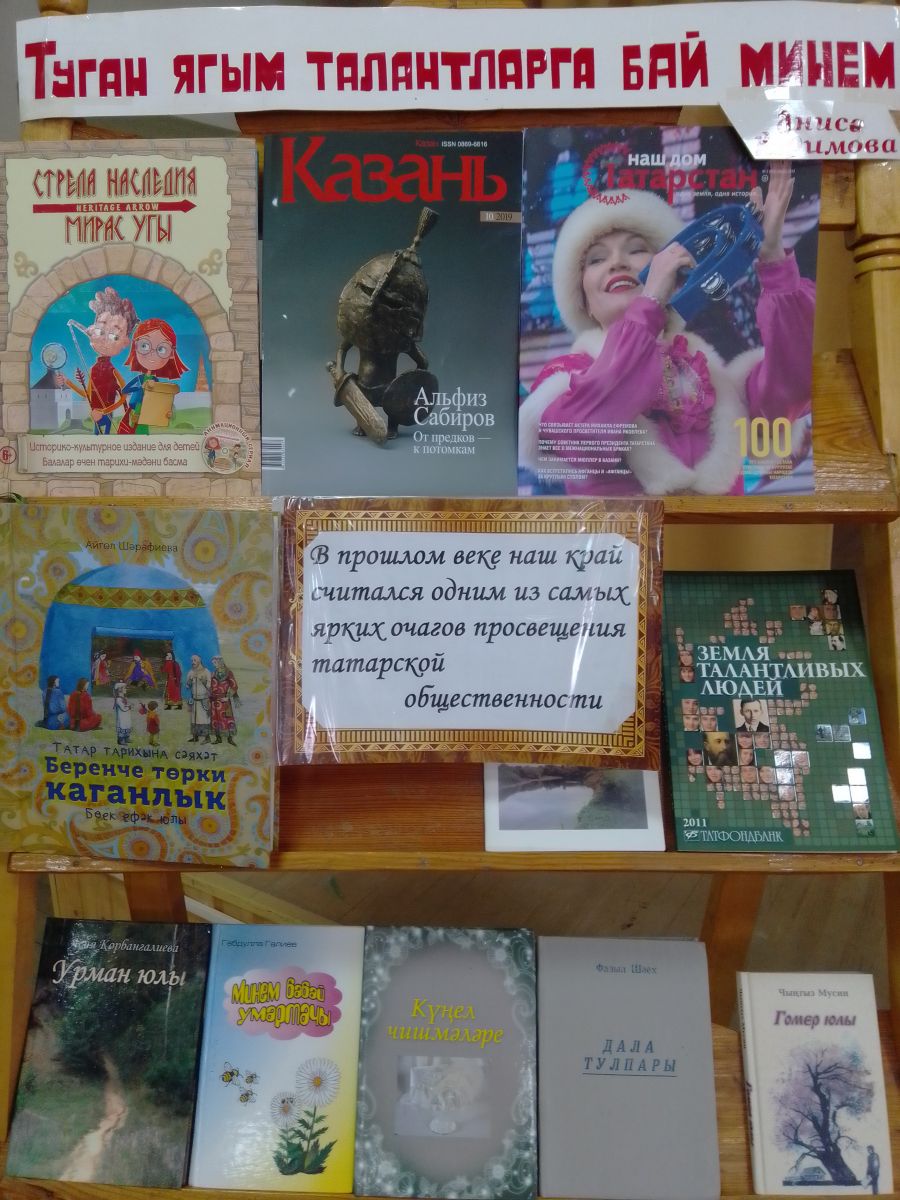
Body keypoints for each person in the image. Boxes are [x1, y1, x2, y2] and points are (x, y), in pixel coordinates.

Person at [518, 163, 815, 495]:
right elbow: (590, 430)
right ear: (583, 300)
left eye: (636, 250)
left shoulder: (720, 384)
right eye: (597, 259)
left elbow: (797, 379)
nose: (618, 262)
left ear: (675, 278)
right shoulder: (563, 381)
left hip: (721, 530)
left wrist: (773, 259)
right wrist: (648, 306)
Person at [63, 287, 137, 434]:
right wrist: (68, 382)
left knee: (105, 436)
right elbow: (86, 394)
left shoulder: (112, 371)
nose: (104, 340)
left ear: (124, 342)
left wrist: (104, 411)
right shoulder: (93, 370)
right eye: (99, 331)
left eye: (114, 336)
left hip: (105, 415)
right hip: (96, 415)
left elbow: (123, 396)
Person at [118, 318, 188, 435]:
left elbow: (159, 399)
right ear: (135, 347)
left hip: (147, 413)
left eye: (161, 349)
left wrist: (167, 411)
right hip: (134, 411)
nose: (152, 354)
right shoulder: (140, 379)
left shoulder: (156, 381)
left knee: (142, 435)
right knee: (130, 433)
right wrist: (140, 387)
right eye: (144, 346)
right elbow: (125, 390)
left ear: (171, 353)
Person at [209, 655, 240, 745]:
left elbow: (234, 686)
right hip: (215, 701)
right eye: (213, 663)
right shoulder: (213, 673)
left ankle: (230, 738)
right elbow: (211, 686)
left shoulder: (228, 673)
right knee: (216, 719)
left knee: (227, 718)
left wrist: (228, 696)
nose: (214, 665)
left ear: (220, 662)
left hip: (224, 700)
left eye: (215, 663)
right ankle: (218, 738)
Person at [185, 654, 212, 743]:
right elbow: (187, 686)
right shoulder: (191, 672)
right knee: (194, 718)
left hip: (203, 700)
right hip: (194, 699)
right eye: (192, 660)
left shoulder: (206, 671)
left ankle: (207, 738)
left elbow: (209, 686)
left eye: (194, 660)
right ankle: (195, 737)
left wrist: (202, 680)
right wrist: (190, 680)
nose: (193, 662)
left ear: (199, 661)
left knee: (204, 718)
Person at [113, 682, 132, 746]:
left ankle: (126, 738)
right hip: (122, 716)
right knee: (122, 725)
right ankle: (121, 740)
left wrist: (128, 705)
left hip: (126, 715)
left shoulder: (124, 698)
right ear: (120, 689)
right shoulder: (118, 699)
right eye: (124, 688)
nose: (126, 689)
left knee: (127, 724)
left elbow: (126, 705)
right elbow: (123, 708)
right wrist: (128, 707)